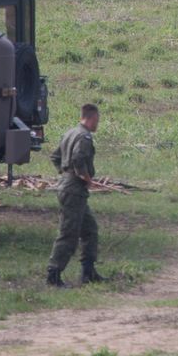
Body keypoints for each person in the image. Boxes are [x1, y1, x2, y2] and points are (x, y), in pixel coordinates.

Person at [47, 103, 104, 288]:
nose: (98, 124)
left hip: (68, 185)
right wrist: (85, 178)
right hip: (74, 189)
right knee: (69, 233)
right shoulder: (84, 137)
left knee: (90, 230)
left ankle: (88, 272)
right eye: (98, 120)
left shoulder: (70, 132)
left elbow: (55, 157)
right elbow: (79, 160)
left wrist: (64, 173)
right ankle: (53, 274)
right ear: (92, 118)